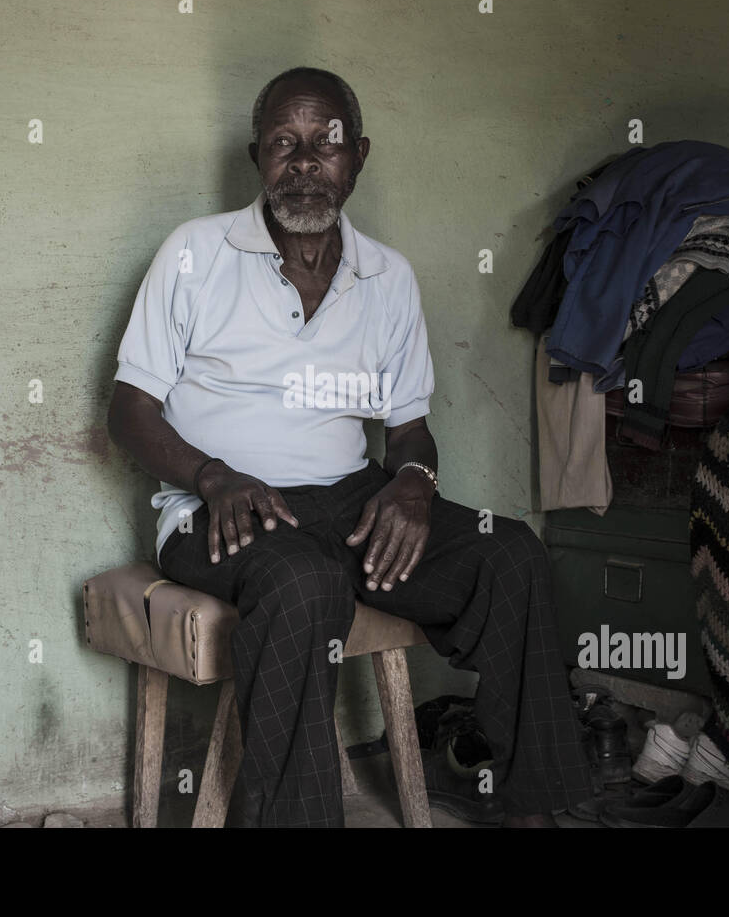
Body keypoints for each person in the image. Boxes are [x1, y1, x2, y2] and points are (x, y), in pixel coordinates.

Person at [107, 66, 593, 827]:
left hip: (351, 497)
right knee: (305, 585)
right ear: (256, 157)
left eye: (325, 143)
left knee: (513, 555)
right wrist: (213, 477)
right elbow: (128, 412)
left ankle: (537, 804)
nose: (304, 163)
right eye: (283, 143)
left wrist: (413, 484)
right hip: (222, 505)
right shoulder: (194, 254)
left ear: (358, 155)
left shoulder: (388, 278)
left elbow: (408, 431)